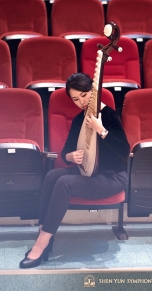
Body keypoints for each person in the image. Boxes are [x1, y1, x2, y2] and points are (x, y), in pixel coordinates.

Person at [19, 72, 130, 269]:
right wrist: (70, 157)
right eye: (76, 99)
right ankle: (46, 235)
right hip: (89, 173)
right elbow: (65, 152)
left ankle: (41, 244)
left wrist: (101, 130)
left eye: (84, 96)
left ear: (93, 92)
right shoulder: (80, 119)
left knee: (64, 183)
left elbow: (124, 149)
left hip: (112, 177)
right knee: (53, 175)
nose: (81, 102)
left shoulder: (110, 116)